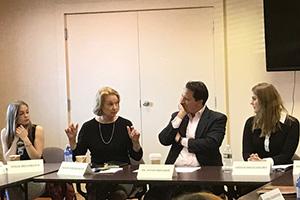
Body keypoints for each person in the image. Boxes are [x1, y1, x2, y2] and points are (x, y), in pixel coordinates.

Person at [144, 81, 227, 200]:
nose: (181, 101)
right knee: (152, 194)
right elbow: (164, 139)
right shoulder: (178, 117)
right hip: (175, 173)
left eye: (187, 99)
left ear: (199, 101)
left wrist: (181, 141)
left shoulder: (216, 118)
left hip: (203, 174)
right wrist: (179, 116)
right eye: (182, 96)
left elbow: (211, 143)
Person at [65, 86, 143, 200]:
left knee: (118, 195)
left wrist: (135, 142)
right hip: (98, 174)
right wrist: (72, 140)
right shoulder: (88, 127)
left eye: (117, 103)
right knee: (96, 193)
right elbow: (78, 156)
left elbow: (136, 156)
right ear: (100, 105)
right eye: (110, 104)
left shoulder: (125, 124)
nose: (115, 107)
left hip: (123, 174)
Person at [243, 82, 299, 165]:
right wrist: (251, 159)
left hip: (283, 171)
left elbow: (286, 155)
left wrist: (264, 162)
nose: (251, 102)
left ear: (265, 102)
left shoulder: (291, 124)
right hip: (257, 170)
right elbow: (246, 152)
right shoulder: (250, 123)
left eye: (254, 99)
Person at [0, 100, 45, 200]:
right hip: (15, 177)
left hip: (36, 176)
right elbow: (7, 160)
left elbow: (36, 157)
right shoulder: (5, 133)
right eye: (21, 114)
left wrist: (25, 139)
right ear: (13, 117)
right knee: (10, 186)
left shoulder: (37, 129)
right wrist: (16, 139)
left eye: (27, 112)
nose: (26, 116)